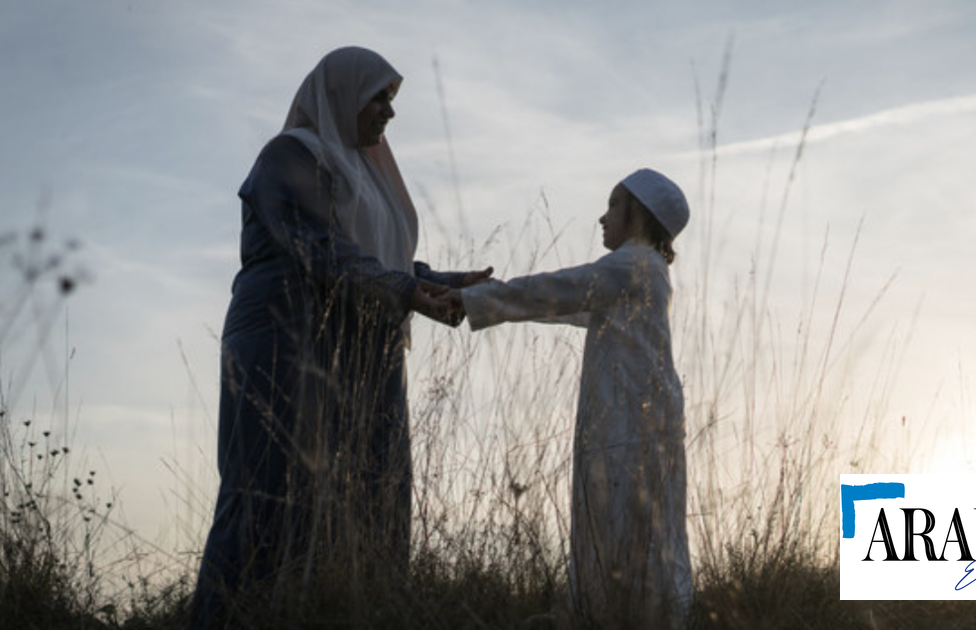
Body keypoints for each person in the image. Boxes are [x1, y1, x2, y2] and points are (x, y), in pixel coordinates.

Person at [191, 46, 490, 628]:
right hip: (281, 342)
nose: (389, 113)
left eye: (392, 99)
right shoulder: (289, 156)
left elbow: (383, 259)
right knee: (268, 495)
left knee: (369, 498)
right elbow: (318, 247)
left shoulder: (368, 173)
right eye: (378, 96)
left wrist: (447, 284)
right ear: (341, 94)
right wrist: (406, 294)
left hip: (350, 348)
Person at [448, 168, 693, 629]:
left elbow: (555, 290)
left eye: (614, 206)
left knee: (618, 531)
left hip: (629, 430)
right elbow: (570, 304)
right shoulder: (645, 270)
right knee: (637, 534)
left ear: (638, 215)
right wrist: (479, 300)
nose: (603, 218)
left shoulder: (631, 264)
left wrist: (472, 298)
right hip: (637, 426)